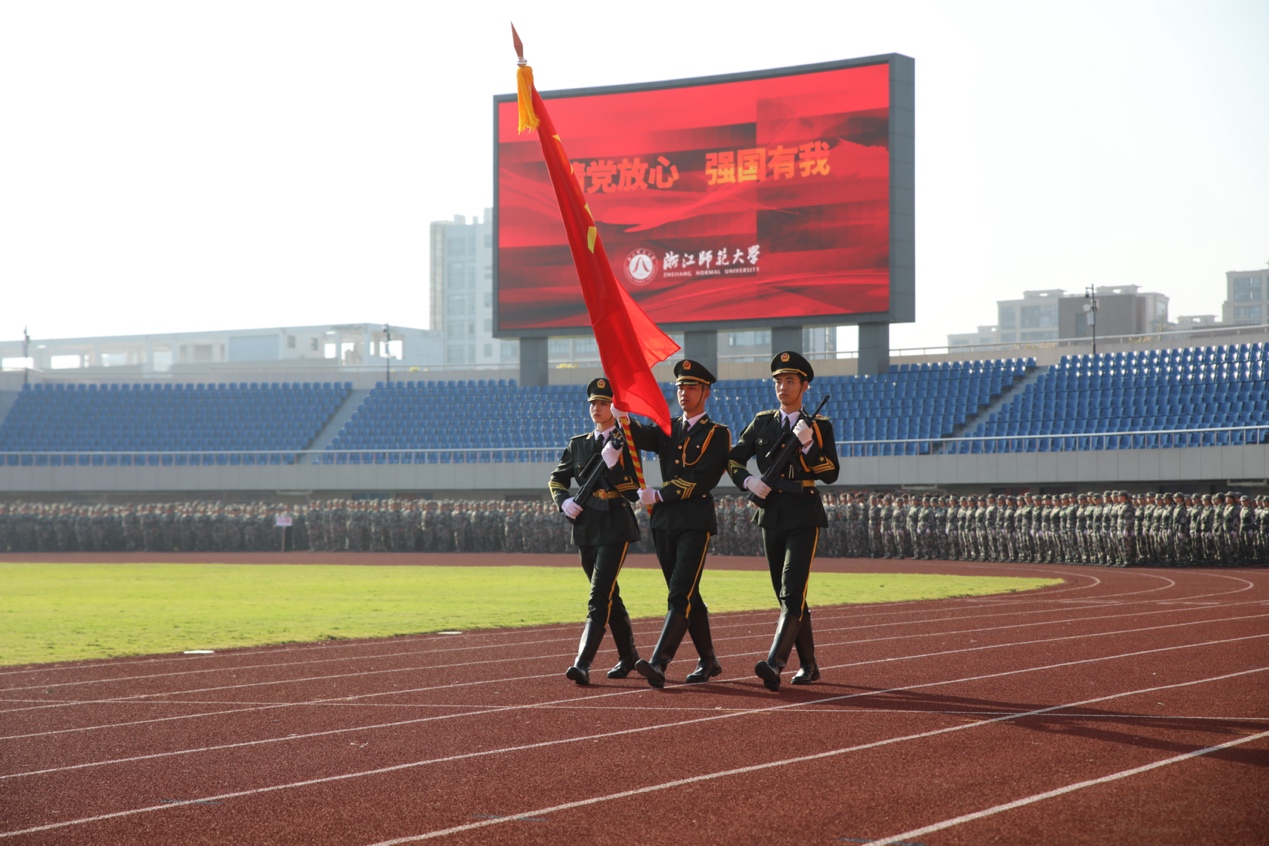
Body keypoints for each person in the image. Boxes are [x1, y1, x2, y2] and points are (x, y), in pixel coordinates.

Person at [616, 359, 732, 688]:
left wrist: (660, 494)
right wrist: (622, 415)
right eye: (680, 386)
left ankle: (659, 662)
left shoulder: (717, 433)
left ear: (706, 392)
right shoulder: (669, 428)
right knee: (686, 592)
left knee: (680, 592)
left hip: (694, 519)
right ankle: (708, 660)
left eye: (691, 387)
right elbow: (639, 437)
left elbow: (702, 478)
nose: (684, 392)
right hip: (664, 521)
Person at [728, 351, 839, 690]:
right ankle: (809, 664)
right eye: (778, 381)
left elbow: (830, 473)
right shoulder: (763, 422)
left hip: (803, 512)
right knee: (785, 593)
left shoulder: (819, 426)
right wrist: (749, 481)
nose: (782, 387)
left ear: (804, 386)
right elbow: (733, 459)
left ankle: (774, 663)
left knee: (792, 590)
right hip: (771, 510)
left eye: (790, 381)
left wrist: (808, 446)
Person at [548, 377, 642, 685]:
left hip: (615, 523)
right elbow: (557, 479)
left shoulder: (625, 441)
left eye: (603, 403)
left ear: (613, 408)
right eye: (593, 403)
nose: (596, 408)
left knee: (599, 594)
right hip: (586, 526)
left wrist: (614, 466)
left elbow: (634, 491)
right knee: (609, 593)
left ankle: (583, 663)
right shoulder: (578, 444)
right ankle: (628, 656)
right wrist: (564, 502)